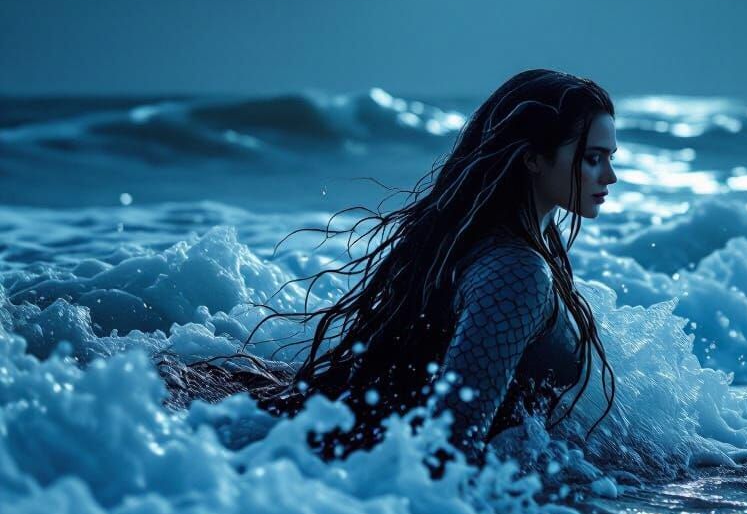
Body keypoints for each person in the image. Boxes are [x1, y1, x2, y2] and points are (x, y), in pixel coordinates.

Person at [156, 69, 619, 468]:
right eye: (592, 158)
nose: (609, 177)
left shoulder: (499, 244)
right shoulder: (517, 272)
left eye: (609, 159)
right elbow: (449, 445)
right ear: (533, 157)